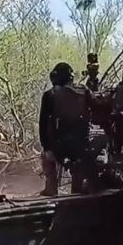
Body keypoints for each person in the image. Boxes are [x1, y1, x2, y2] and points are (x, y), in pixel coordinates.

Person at [38, 62, 90, 196]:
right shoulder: (84, 92)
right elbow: (100, 107)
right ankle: (78, 189)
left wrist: (46, 148)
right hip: (81, 147)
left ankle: (51, 187)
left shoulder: (49, 95)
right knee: (81, 163)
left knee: (47, 157)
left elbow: (43, 125)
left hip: (58, 146)